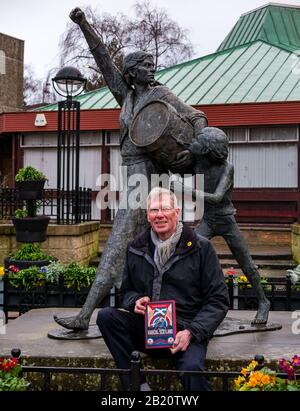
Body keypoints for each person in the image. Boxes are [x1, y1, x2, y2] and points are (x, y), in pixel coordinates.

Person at [54, 8, 207, 331]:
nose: (152, 69)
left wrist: (193, 148)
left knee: (114, 249)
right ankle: (145, 311)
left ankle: (84, 316)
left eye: (152, 65)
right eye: (145, 65)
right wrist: (83, 25)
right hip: (134, 176)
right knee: (135, 251)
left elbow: (196, 117)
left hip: (147, 179)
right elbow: (103, 60)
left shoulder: (160, 94)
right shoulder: (125, 96)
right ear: (132, 73)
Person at [97, 187, 230, 391]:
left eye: (164, 209)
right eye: (153, 210)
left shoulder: (201, 248)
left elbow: (218, 300)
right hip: (147, 328)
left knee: (192, 369)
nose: (159, 215)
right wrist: (135, 302)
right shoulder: (136, 246)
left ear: (176, 212)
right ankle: (138, 385)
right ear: (147, 216)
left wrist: (192, 332)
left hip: (184, 331)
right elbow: (126, 292)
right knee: (106, 317)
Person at [176, 127, 270, 324]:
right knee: (186, 254)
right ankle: (190, 302)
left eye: (199, 140)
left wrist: (184, 190)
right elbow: (176, 163)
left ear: (207, 149)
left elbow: (217, 197)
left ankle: (263, 302)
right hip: (208, 220)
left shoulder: (227, 168)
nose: (194, 142)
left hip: (226, 219)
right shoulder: (198, 162)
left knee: (246, 261)